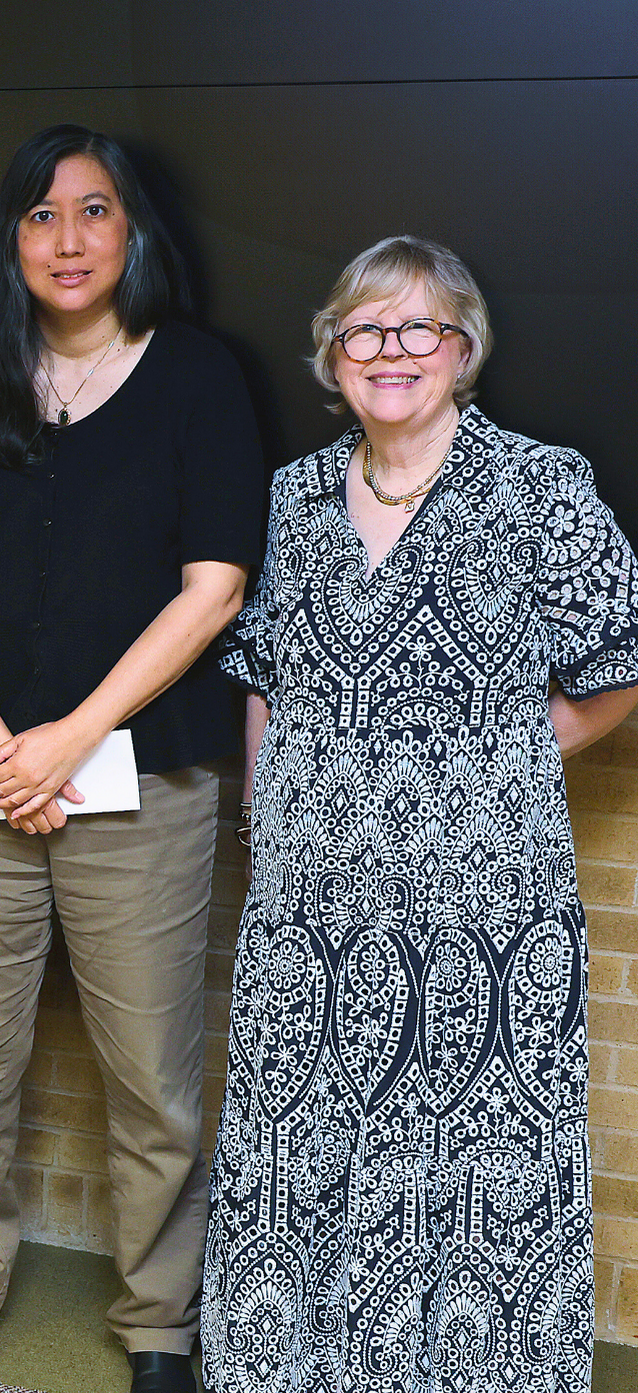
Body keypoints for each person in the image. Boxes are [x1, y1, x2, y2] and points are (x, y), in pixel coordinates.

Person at [203, 237, 638, 1393]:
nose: (389, 353)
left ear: (461, 349)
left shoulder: (539, 482)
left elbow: (617, 666)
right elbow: (259, 674)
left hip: (483, 902)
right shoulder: (292, 497)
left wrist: (490, 763)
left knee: (472, 1151)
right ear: (331, 353)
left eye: (417, 330)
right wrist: (268, 816)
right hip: (307, 901)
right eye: (363, 331)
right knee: (307, 1141)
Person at [0, 124, 265, 1393]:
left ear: (132, 232)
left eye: (92, 211)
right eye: (39, 216)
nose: (66, 239)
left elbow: (213, 587)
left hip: (142, 781)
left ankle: (158, 1321)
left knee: (150, 1081)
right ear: (10, 239)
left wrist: (73, 736)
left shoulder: (200, 378)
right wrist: (1, 751)